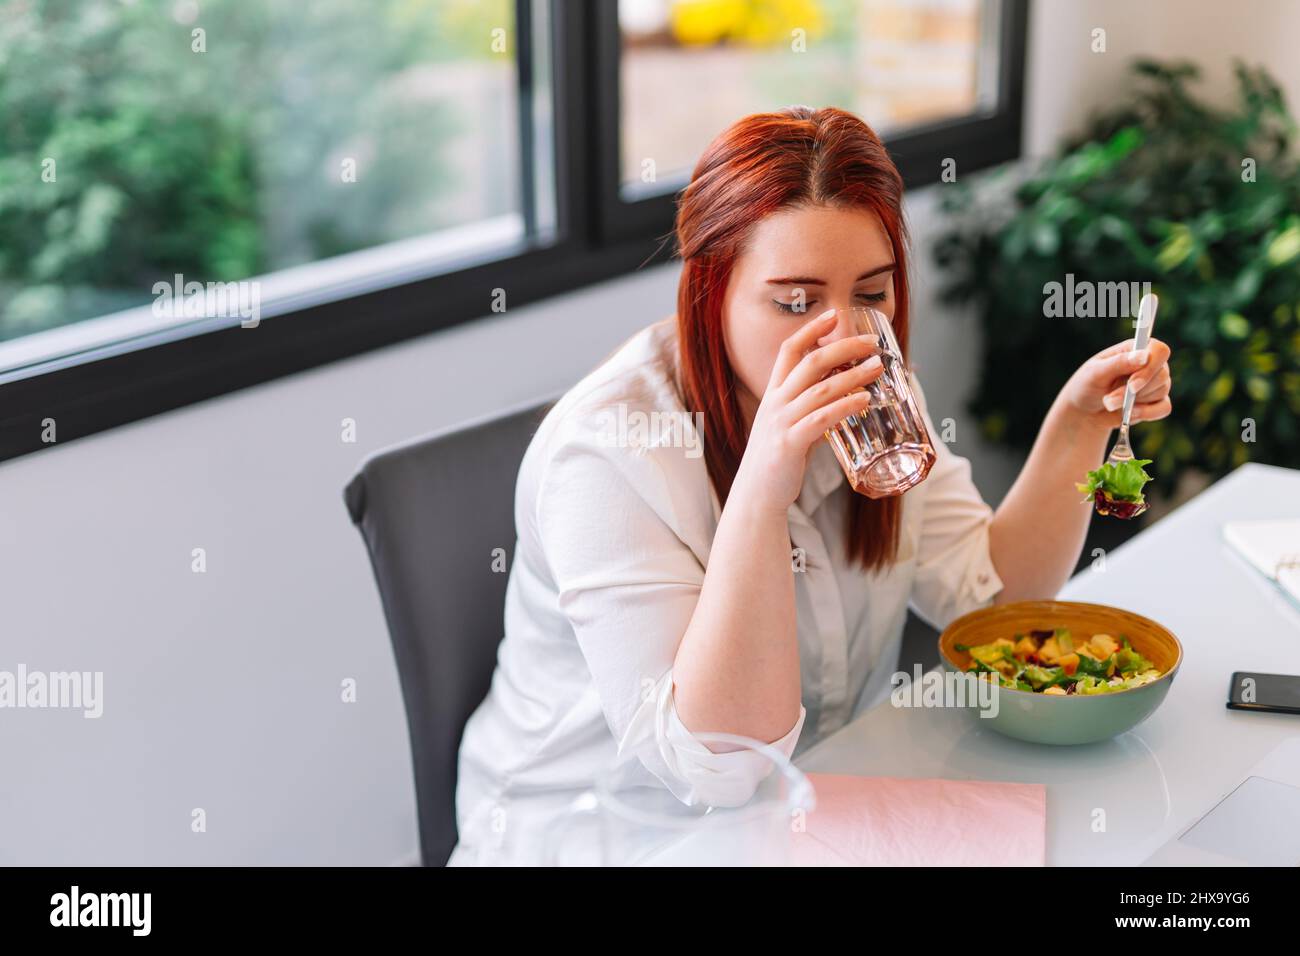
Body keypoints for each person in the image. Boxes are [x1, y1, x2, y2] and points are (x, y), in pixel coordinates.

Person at [447, 106, 1172, 865]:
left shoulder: (880, 396)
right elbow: (721, 766)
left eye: (872, 293)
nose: (846, 338)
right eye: (795, 302)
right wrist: (764, 484)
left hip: (802, 817)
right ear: (709, 293)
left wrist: (1079, 423)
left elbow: (991, 606)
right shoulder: (610, 455)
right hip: (607, 838)